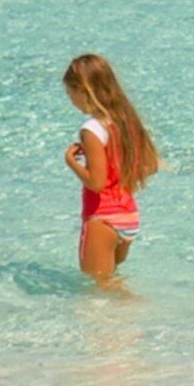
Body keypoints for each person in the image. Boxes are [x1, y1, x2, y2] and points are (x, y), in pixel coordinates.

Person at [62, 53, 158, 292]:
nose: (71, 100)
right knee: (111, 284)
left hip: (102, 219)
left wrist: (71, 162)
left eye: (70, 93)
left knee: (100, 289)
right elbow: (151, 165)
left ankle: (143, 320)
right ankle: (132, 327)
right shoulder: (126, 121)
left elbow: (96, 183)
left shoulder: (91, 129)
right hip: (128, 217)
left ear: (83, 90)